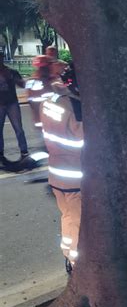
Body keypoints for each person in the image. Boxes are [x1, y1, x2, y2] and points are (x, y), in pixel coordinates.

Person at [40, 63, 83, 273]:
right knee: (77, 222)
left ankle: (68, 255)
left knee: (67, 217)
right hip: (74, 177)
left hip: (56, 174)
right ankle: (77, 265)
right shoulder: (74, 106)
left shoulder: (50, 100)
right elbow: (84, 141)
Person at [0, 47, 29, 164]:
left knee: (19, 129)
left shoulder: (11, 72)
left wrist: (17, 80)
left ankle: (24, 152)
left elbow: (22, 84)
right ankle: (1, 155)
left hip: (12, 103)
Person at [25, 55, 64, 129]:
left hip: (45, 119)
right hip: (48, 118)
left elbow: (30, 98)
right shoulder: (51, 80)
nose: (51, 66)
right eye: (50, 64)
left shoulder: (33, 79)